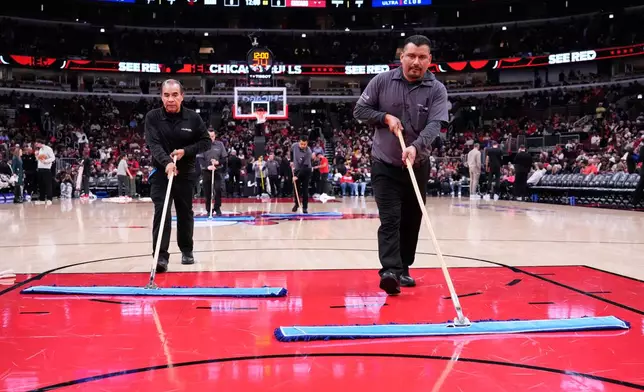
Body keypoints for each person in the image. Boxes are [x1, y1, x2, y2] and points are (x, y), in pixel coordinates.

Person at [353, 34, 448, 295]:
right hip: (384, 163)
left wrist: (416, 147)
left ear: (430, 60)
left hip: (417, 165)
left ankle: (404, 267)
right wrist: (384, 117)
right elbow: (359, 111)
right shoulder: (382, 81)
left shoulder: (437, 90)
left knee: (411, 219)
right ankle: (390, 271)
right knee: (390, 218)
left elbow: (435, 125)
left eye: (422, 57)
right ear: (401, 57)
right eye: (411, 56)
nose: (415, 62)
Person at [144, 79, 211, 272]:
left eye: (174, 95)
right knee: (161, 212)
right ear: (161, 97)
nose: (170, 99)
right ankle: (160, 257)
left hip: (186, 174)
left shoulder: (193, 118)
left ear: (182, 96)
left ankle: (186, 250)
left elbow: (205, 142)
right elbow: (153, 144)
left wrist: (185, 151)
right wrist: (166, 163)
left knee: (185, 213)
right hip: (161, 173)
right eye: (166, 95)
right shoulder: (153, 117)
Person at [198, 128, 227, 217]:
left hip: (217, 171)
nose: (211, 138)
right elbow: (200, 159)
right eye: (209, 136)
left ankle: (217, 208)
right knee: (207, 191)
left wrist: (218, 162)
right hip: (206, 172)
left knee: (218, 189)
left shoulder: (220, 144)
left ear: (215, 136)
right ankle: (208, 210)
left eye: (213, 136)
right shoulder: (202, 145)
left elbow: (224, 158)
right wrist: (207, 166)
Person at [291, 134, 312, 213]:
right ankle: (296, 204)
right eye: (301, 144)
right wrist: (291, 161)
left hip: (306, 170)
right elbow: (291, 151)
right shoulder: (294, 146)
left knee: (305, 189)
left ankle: (305, 207)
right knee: (296, 188)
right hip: (297, 169)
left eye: (305, 144)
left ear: (307, 143)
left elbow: (304, 166)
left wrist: (297, 176)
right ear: (299, 142)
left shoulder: (308, 151)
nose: (303, 146)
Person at [34, 139, 55, 205]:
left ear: (40, 143)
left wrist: (46, 161)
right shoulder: (40, 150)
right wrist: (36, 156)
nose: (36, 145)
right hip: (40, 169)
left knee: (48, 184)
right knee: (41, 185)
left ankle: (49, 199)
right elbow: (39, 159)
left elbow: (53, 158)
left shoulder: (48, 149)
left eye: (37, 143)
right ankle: (42, 199)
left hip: (46, 169)